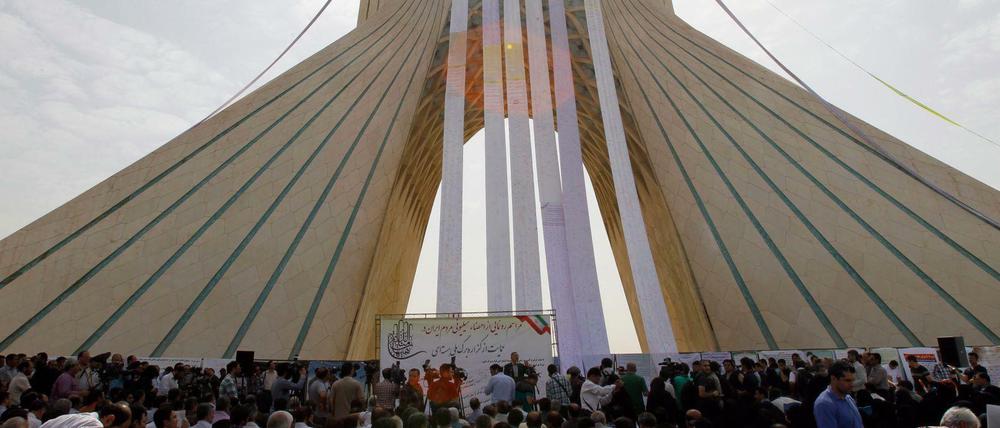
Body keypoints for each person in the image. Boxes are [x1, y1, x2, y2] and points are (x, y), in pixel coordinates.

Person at [813, 361, 862, 428]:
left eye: (852, 380)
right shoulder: (824, 404)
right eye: (847, 380)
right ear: (833, 378)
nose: (852, 384)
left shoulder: (847, 397)